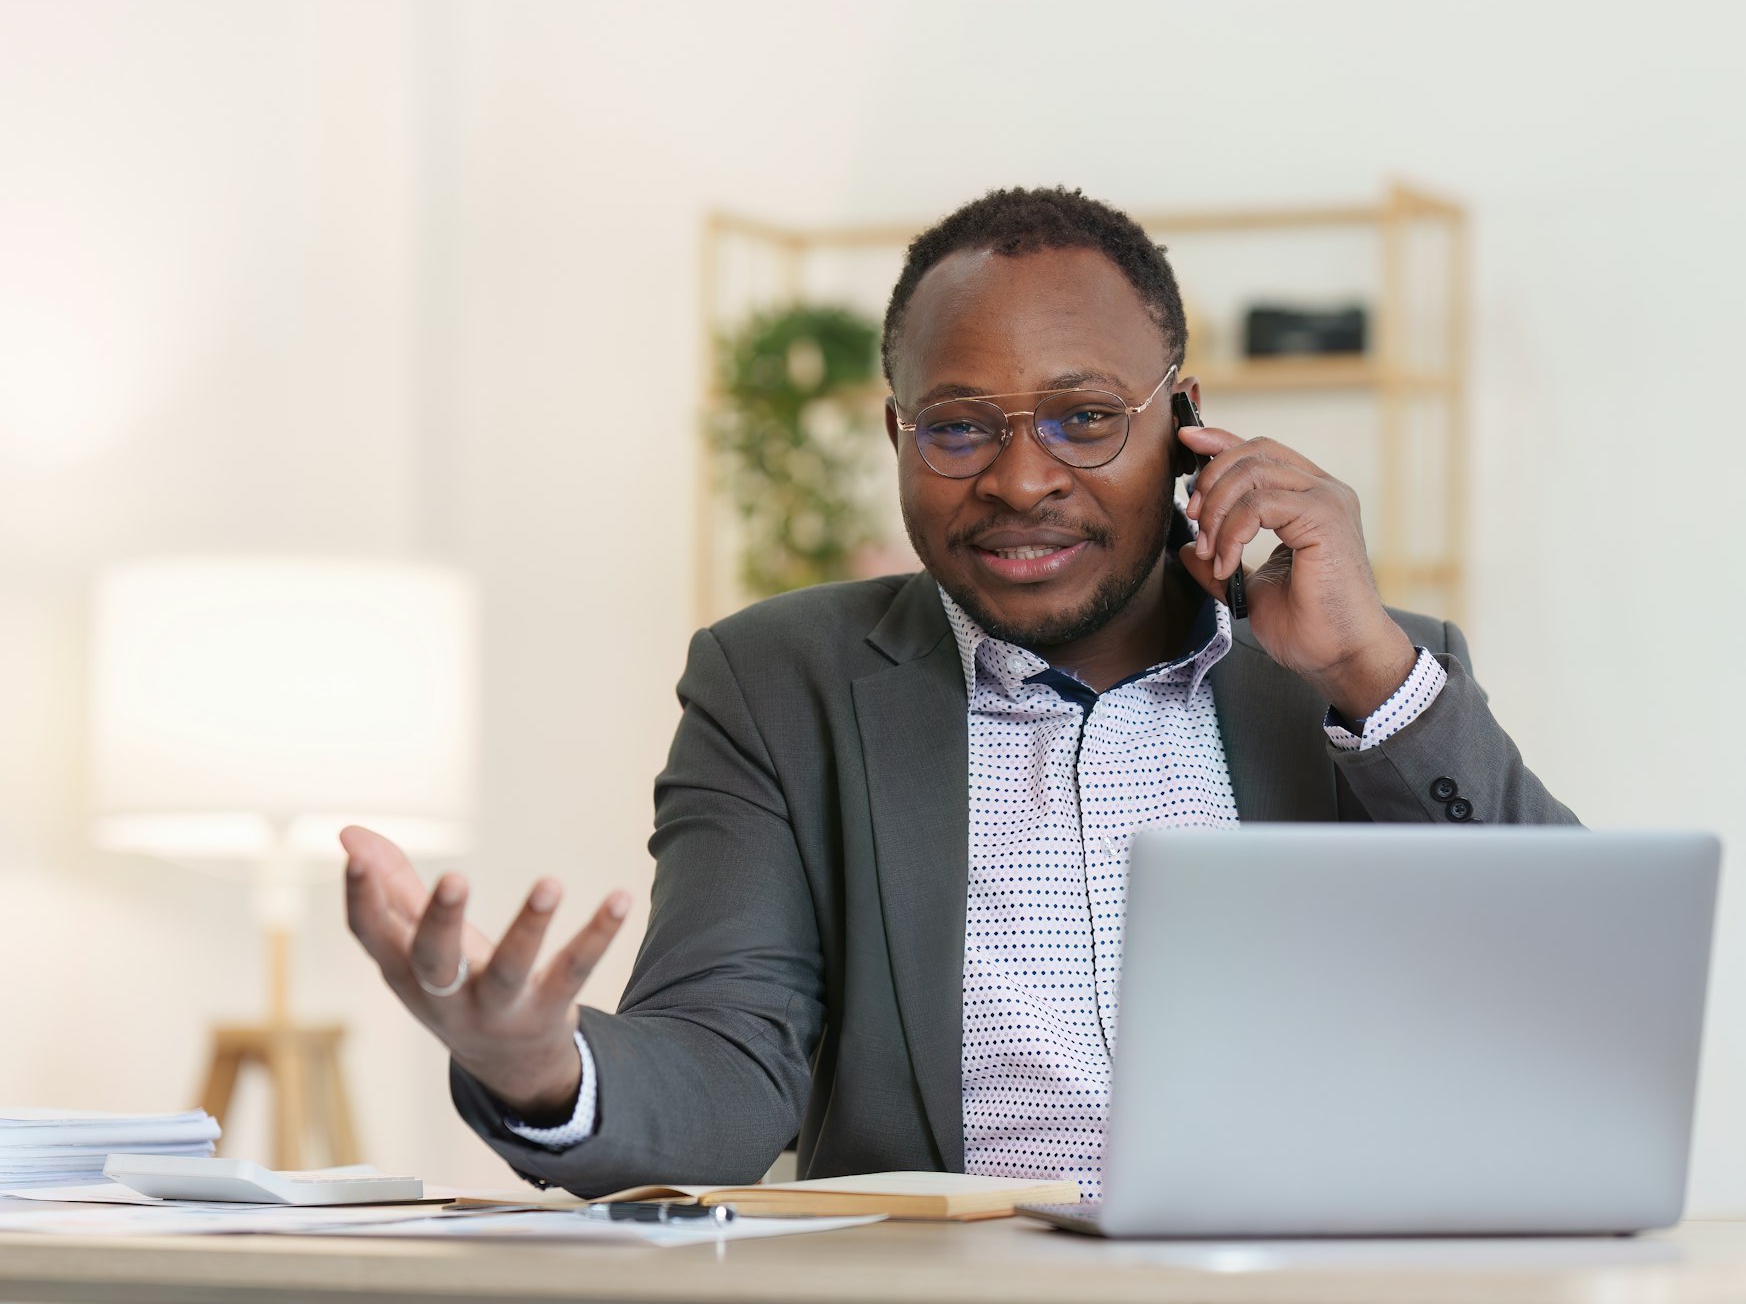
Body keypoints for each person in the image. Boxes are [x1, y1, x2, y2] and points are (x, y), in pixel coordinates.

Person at [343, 187, 1578, 1199]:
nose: (1021, 478)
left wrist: (1370, 672)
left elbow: (1566, 1008)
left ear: (1188, 426)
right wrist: (542, 1067)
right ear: (897, 437)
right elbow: (722, 1074)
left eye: (1085, 417)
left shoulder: (1360, 673)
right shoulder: (778, 682)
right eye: (959, 429)